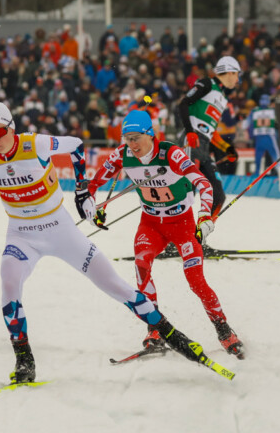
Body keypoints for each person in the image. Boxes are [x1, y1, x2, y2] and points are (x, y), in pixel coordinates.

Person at [0, 101, 220, 384]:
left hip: (61, 231)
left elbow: (76, 145)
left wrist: (81, 190)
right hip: (21, 235)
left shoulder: (36, 144)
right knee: (8, 282)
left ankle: (175, 337)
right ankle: (24, 362)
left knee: (116, 286)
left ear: (12, 129)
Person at [87, 109, 244, 359]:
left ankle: (223, 328)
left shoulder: (171, 153)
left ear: (151, 135)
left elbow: (203, 183)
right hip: (151, 225)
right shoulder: (123, 154)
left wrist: (205, 217)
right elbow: (95, 182)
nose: (132, 144)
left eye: (136, 137)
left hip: (182, 225)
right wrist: (93, 205)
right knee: (141, 264)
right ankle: (155, 329)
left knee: (195, 280)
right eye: (127, 138)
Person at [178, 56, 240, 217]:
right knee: (188, 191)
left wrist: (227, 148)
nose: (237, 79)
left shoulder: (223, 99)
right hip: (192, 140)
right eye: (236, 74)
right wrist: (190, 131)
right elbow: (184, 104)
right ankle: (179, 240)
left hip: (204, 146)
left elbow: (211, 131)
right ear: (228, 72)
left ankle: (199, 237)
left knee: (218, 195)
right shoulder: (207, 84)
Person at [247, 94, 280, 175]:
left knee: (258, 157)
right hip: (270, 136)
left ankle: (257, 173)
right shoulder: (272, 110)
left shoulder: (254, 110)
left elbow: (245, 124)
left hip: (259, 137)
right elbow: (279, 121)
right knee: (275, 155)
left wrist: (250, 134)